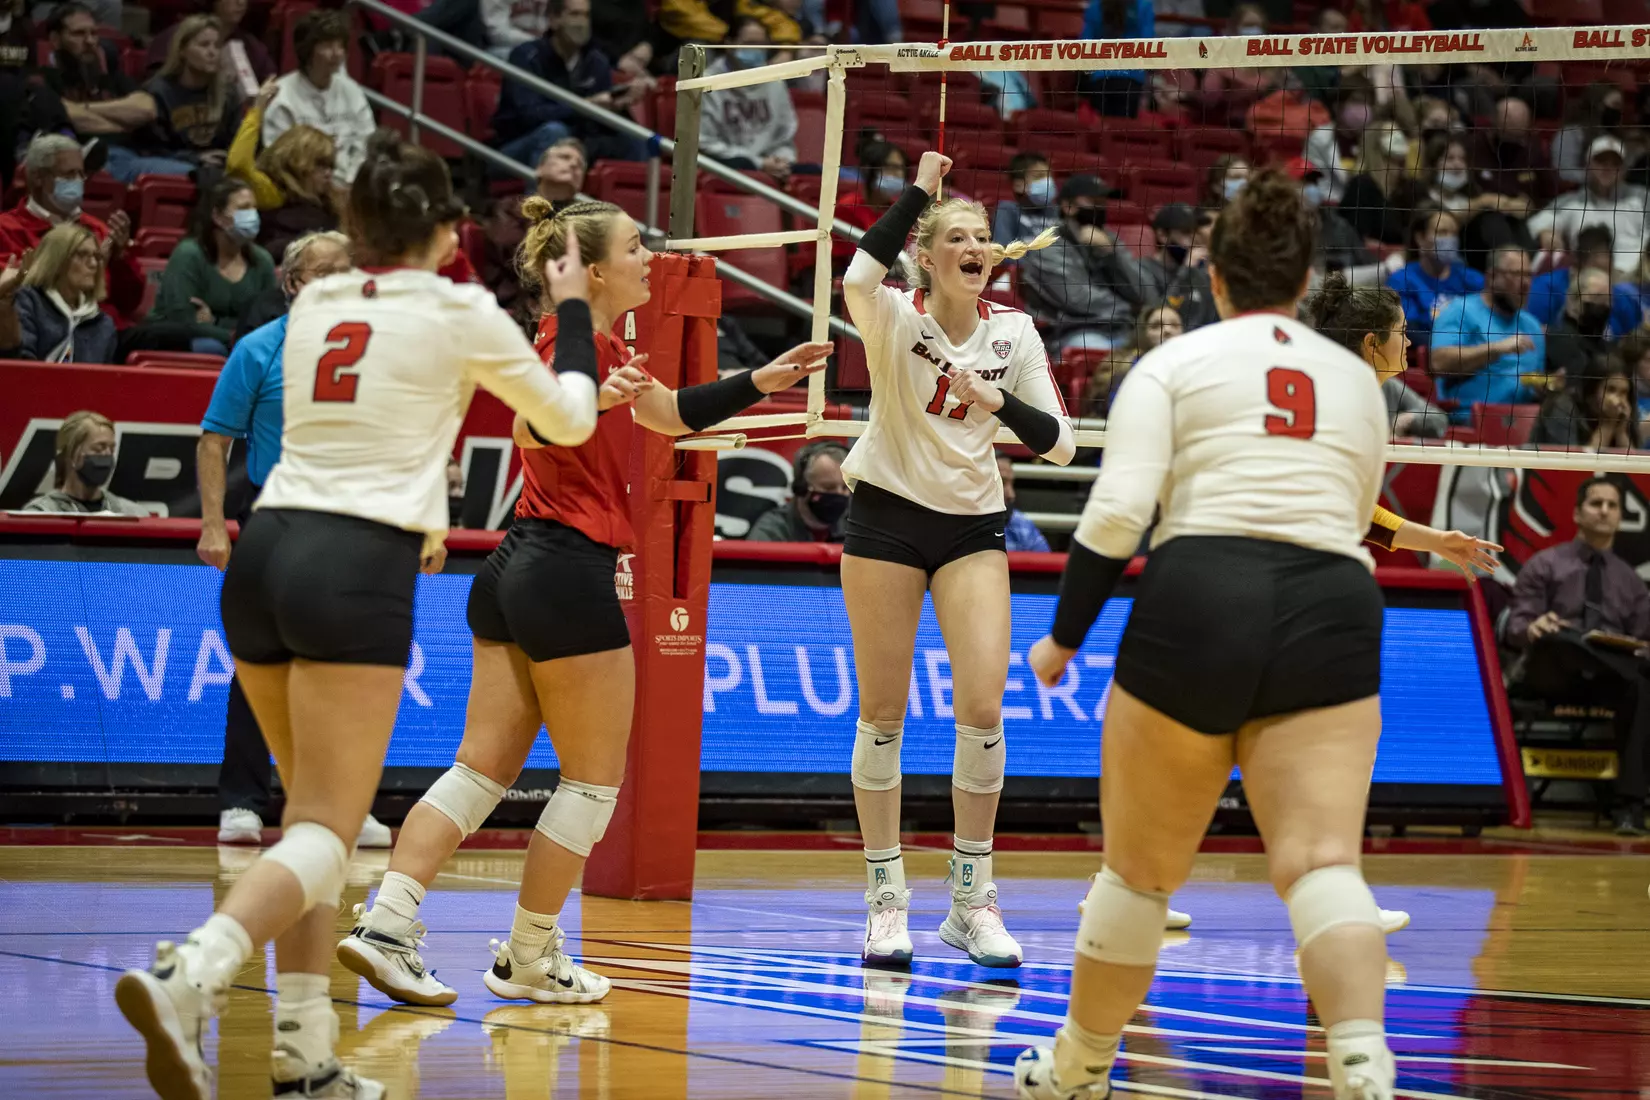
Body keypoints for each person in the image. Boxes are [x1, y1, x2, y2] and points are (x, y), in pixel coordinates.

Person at [114, 129, 602, 1100]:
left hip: (264, 548)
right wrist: (577, 308)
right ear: (449, 228)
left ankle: (304, 1055)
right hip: (355, 559)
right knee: (329, 831)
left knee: (308, 827)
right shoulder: (462, 307)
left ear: (356, 224)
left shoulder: (321, 298)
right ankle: (195, 969)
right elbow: (571, 418)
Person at [334, 196, 830, 1007]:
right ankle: (529, 955)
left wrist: (760, 381)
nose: (649, 257)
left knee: (478, 774)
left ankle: (386, 926)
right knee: (594, 785)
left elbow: (667, 413)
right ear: (593, 269)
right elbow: (534, 428)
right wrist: (590, 404)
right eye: (637, 246)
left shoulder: (597, 344)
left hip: (514, 569)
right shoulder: (562, 351)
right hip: (564, 572)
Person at [1014, 168, 1397, 1100]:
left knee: (1140, 876)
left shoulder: (1172, 364)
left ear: (1214, 279)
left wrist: (1063, 638)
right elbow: (1350, 514)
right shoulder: (1357, 378)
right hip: (1331, 601)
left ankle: (1079, 1070)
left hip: (1201, 592)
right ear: (1305, 285)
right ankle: (1362, 1065)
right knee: (1321, 865)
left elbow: (1115, 517)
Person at [834, 151, 1074, 970]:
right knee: (885, 714)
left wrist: (997, 399)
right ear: (928, 259)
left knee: (982, 709)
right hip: (887, 520)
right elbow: (855, 280)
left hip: (972, 525)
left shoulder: (1016, 333)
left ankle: (972, 903)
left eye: (984, 238)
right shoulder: (895, 315)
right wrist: (918, 193)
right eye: (958, 238)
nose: (977, 247)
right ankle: (886, 901)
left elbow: (1063, 441)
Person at [195, 230, 358, 848]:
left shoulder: (367, 355)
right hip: (275, 515)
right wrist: (214, 523)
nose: (338, 283)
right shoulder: (258, 350)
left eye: (347, 272)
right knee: (262, 663)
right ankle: (242, 801)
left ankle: (335, 803)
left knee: (343, 667)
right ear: (292, 284)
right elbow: (216, 439)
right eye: (323, 274)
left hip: (348, 519)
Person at [1507, 477, 1650, 835]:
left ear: (1620, 516)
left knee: (1641, 685)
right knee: (1564, 640)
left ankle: (1630, 808)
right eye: (1596, 503)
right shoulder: (1545, 564)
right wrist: (1534, 627)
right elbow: (1515, 627)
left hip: (1611, 680)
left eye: (1612, 505)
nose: (1604, 510)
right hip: (1553, 672)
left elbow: (1642, 643)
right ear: (1577, 513)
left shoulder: (1630, 581)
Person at [0, 134, 141, 321]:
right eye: (68, 174)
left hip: (106, 330)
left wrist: (119, 258)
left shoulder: (97, 229)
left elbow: (129, 302)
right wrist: (92, 267)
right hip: (43, 331)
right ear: (38, 177)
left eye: (81, 174)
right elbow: (17, 295)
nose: (78, 181)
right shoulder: (5, 229)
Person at [492, 0, 642, 172]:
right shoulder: (526, 56)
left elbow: (598, 123)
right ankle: (540, 198)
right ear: (554, 20)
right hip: (518, 146)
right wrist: (585, 106)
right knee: (555, 133)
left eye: (586, 15)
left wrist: (617, 106)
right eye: (574, 14)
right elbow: (528, 116)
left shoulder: (596, 61)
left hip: (576, 141)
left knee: (634, 139)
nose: (581, 23)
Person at [148, 178, 277, 355]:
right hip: (175, 341)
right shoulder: (188, 254)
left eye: (254, 208)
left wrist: (214, 322)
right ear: (218, 216)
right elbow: (182, 319)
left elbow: (268, 322)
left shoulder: (262, 260)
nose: (252, 216)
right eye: (243, 208)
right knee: (211, 347)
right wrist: (232, 335)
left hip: (239, 345)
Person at [1020, 174, 1139, 356]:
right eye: (1093, 201)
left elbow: (1141, 290)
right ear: (1068, 207)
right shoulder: (1046, 245)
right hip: (1070, 334)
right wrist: (1129, 308)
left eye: (1103, 202)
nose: (1101, 208)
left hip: (1121, 329)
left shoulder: (1108, 239)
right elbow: (1077, 298)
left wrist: (1110, 254)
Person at [260, 10, 374, 187]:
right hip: (303, 192)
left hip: (350, 189)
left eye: (341, 46)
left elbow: (366, 144)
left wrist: (351, 182)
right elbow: (278, 160)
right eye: (328, 45)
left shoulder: (351, 90)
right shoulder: (283, 97)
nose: (336, 53)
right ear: (307, 51)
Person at [229, 89, 339, 267]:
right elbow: (237, 165)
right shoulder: (271, 194)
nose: (328, 173)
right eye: (320, 165)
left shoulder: (331, 202)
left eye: (330, 167)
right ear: (297, 163)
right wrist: (257, 110)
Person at [1431, 244, 1543, 414]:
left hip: (1523, 424)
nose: (1525, 283)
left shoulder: (1532, 326)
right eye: (1515, 275)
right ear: (1491, 277)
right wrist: (1496, 349)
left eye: (1528, 275)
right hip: (1469, 421)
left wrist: (1544, 386)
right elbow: (1438, 363)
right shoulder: (1460, 311)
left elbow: (1535, 381)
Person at [129, 14, 241, 176]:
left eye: (216, 46)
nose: (212, 52)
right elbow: (150, 150)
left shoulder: (228, 93)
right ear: (182, 50)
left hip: (218, 169)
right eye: (204, 45)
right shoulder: (158, 92)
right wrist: (195, 158)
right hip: (173, 171)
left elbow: (235, 141)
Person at [1528, 137, 1649, 280]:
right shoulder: (1571, 201)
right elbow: (1536, 222)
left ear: (1622, 170)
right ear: (1587, 166)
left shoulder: (1641, 197)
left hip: (1639, 276)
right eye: (1601, 161)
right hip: (1590, 278)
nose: (1607, 168)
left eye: (1615, 164)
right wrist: (1545, 231)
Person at [697, 17, 796, 182]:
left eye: (761, 44)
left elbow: (784, 137)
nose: (756, 50)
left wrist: (781, 160)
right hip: (728, 164)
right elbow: (705, 142)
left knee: (814, 172)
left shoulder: (776, 82)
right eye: (749, 43)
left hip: (771, 163)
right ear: (729, 44)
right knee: (742, 163)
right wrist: (759, 163)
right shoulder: (707, 83)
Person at [0, 222, 114, 362]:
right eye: (82, 254)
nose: (94, 264)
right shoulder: (27, 302)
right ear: (57, 259)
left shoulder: (103, 324)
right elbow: (18, 364)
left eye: (96, 256)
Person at [1385, 206, 1482, 345]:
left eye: (1454, 233)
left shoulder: (1471, 278)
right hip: (1433, 356)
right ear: (1420, 238)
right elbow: (1408, 331)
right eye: (1442, 232)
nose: (1450, 239)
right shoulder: (1402, 280)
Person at [21, 409, 148, 514]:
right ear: (70, 454)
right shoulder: (41, 514)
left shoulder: (131, 514)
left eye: (111, 448)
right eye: (99, 448)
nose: (107, 455)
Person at [1526, 225, 1642, 335]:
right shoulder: (1544, 288)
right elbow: (1533, 333)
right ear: (1577, 263)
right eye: (1595, 270)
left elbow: (1634, 342)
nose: (1602, 280)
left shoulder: (1622, 299)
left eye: (1606, 273)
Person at [146, 0, 274, 89]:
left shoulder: (251, 45)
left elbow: (271, 81)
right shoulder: (177, 36)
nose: (241, 2)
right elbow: (155, 84)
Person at [1084, 304, 1181, 418]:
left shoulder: (1192, 365)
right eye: (1156, 326)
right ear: (1142, 333)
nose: (1167, 330)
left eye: (1174, 325)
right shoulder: (1126, 366)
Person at [1528, 356, 1639, 452]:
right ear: (1592, 390)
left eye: (1624, 392)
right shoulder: (1562, 407)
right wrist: (1607, 425)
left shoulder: (1626, 411)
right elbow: (1574, 469)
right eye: (1610, 390)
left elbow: (1637, 470)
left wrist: (1621, 432)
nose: (1618, 399)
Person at [1135, 203, 1217, 331]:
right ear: (1163, 236)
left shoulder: (1199, 269)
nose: (1194, 239)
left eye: (1196, 232)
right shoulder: (1142, 269)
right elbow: (1156, 316)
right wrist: (1185, 271)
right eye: (1186, 232)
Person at [746, 441, 849, 542]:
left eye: (845, 487)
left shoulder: (855, 527)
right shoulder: (771, 532)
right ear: (801, 487)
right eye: (828, 487)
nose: (839, 493)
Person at [1339, 119, 1420, 246]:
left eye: (1398, 131)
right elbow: (1355, 234)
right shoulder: (1361, 186)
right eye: (1389, 133)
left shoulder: (1410, 187)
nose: (1397, 136)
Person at [1077, 0, 1154, 118]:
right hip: (1131, 80)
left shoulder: (1094, 6)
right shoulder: (1144, 6)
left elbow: (1084, 46)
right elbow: (1149, 46)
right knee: (1124, 133)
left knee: (1102, 131)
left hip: (1100, 80)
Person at [1545, 266, 1616, 384]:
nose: (1605, 305)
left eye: (1608, 300)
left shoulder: (1605, 346)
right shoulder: (1561, 339)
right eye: (1597, 297)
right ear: (1573, 301)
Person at [1551, 82, 1628, 189]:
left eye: (1620, 106)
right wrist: (1599, 177)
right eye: (1615, 105)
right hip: (1578, 195)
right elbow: (1564, 173)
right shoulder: (1570, 134)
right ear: (1597, 105)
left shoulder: (1615, 136)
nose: (1619, 111)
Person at [993, 152, 1059, 251]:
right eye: (1039, 176)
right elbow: (1003, 253)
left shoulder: (1057, 211)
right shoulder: (1007, 210)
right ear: (1019, 185)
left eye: (1049, 175)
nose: (1048, 181)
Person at [995, 453, 1047, 553]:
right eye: (1002, 482)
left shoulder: (1021, 523)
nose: (1011, 495)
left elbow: (1047, 564)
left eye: (1012, 483)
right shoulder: (961, 525)